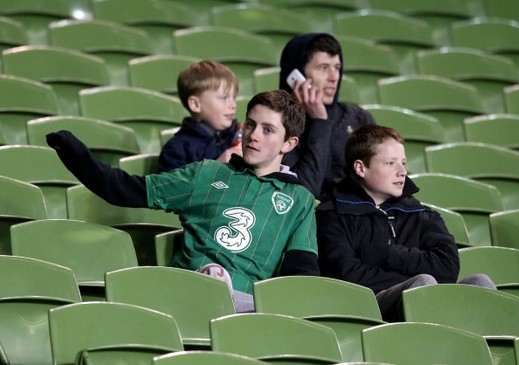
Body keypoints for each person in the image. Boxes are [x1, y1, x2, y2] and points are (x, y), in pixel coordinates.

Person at [46, 90, 320, 312]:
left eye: (268, 130)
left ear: (289, 144)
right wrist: (77, 156)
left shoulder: (300, 201)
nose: (254, 135)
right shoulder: (208, 173)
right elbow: (124, 189)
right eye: (250, 124)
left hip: (244, 310)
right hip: (183, 293)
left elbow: (301, 273)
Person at [315, 125, 495, 322]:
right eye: (390, 163)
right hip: (366, 306)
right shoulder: (332, 214)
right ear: (360, 168)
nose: (402, 172)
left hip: (425, 296)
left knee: (480, 283)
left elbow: (448, 269)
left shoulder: (422, 214)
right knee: (423, 283)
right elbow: (348, 276)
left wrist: (386, 254)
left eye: (403, 162)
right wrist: (413, 278)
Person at [279, 33, 376, 202]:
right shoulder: (279, 122)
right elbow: (305, 192)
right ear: (296, 74)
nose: (334, 77)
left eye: (337, 68)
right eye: (323, 67)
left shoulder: (359, 118)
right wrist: (320, 123)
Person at [158, 60, 242, 173]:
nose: (233, 105)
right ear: (195, 104)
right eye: (224, 98)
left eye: (234, 98)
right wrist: (215, 168)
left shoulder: (240, 136)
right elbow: (172, 188)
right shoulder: (177, 149)